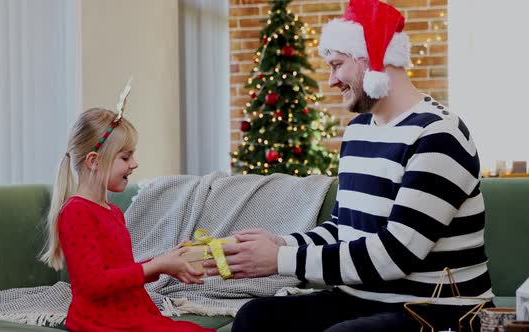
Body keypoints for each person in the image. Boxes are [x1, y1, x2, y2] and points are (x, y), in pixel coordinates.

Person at [203, 0, 494, 331]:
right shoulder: (357, 132)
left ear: (371, 59)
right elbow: (343, 228)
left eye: (337, 65)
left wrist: (280, 260)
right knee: (256, 317)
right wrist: (281, 244)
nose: (331, 81)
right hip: (361, 298)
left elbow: (396, 253)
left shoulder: (439, 134)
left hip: (440, 308)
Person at [39, 104, 213, 332]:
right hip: (102, 322)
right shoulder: (77, 211)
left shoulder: (113, 211)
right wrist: (156, 265)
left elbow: (120, 272)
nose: (134, 164)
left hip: (133, 314)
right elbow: (93, 284)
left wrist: (164, 263)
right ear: (94, 161)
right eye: (125, 157)